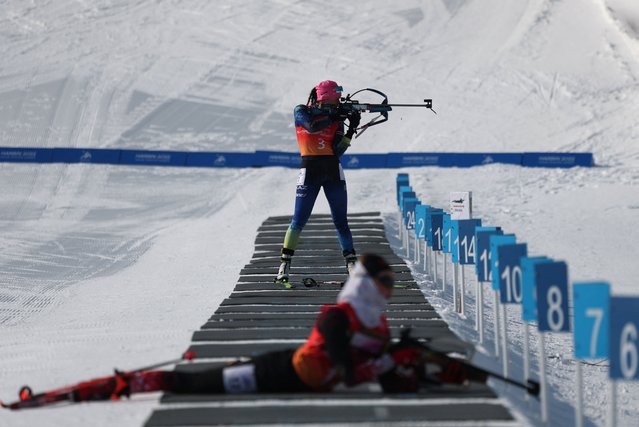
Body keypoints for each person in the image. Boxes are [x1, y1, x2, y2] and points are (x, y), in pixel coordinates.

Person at [118, 254, 427, 396]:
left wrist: (405, 367)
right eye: (384, 282)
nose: (389, 290)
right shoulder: (340, 314)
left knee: (221, 378)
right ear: (366, 284)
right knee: (201, 385)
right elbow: (344, 364)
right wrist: (385, 360)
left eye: (391, 282)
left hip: (298, 375)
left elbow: (385, 381)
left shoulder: (380, 324)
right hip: (286, 372)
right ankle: (135, 383)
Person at [275, 80, 362, 287]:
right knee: (298, 221)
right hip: (310, 169)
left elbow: (337, 151)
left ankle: (352, 266)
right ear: (325, 96)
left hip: (332, 170)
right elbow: (311, 127)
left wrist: (351, 130)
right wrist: (334, 115)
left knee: (341, 221)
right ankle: (283, 267)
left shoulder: (336, 117)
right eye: (336, 96)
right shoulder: (302, 110)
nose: (339, 100)